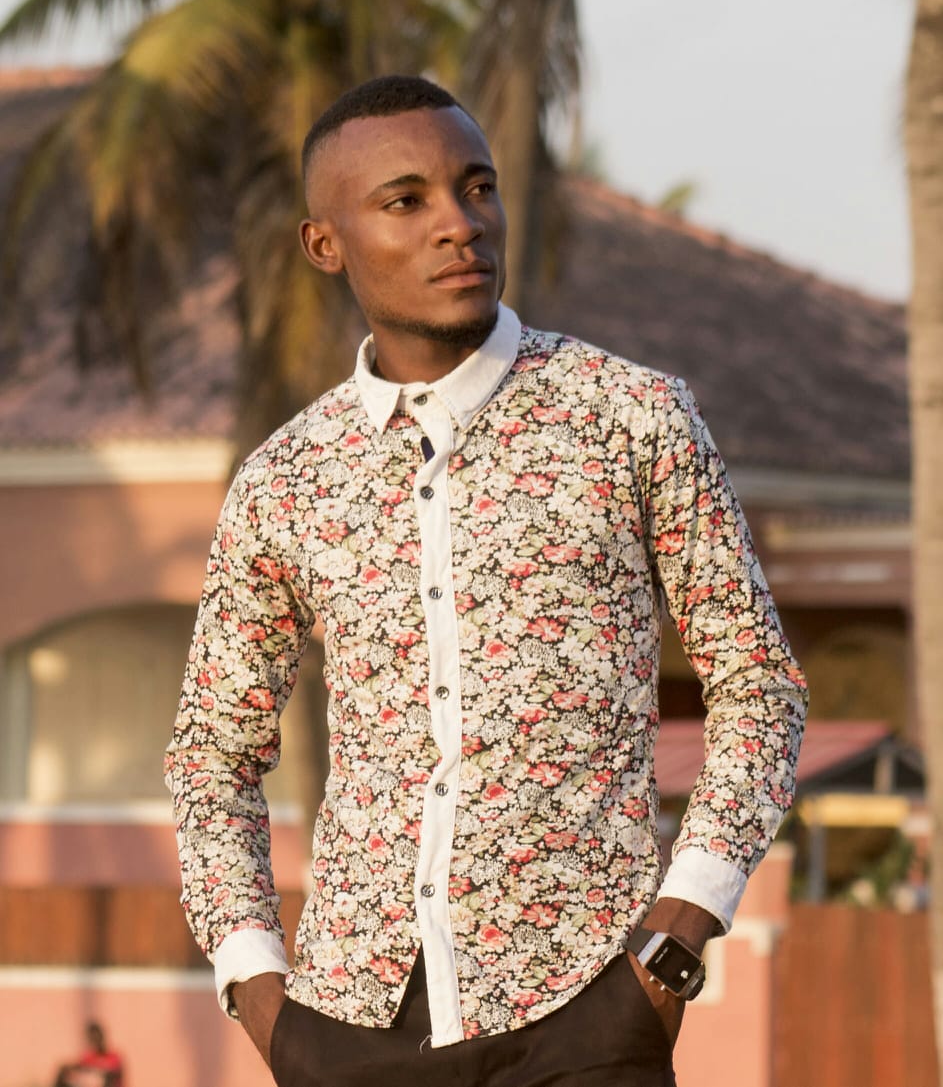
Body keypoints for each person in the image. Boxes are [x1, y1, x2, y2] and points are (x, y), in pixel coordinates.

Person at [165, 74, 807, 1086]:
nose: (458, 224)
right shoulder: (285, 480)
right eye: (405, 200)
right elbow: (212, 753)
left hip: (586, 1010)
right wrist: (259, 989)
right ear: (325, 244)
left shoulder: (630, 416)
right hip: (347, 1024)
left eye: (476, 187)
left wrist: (678, 931)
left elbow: (758, 685)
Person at [54, 1021, 124, 1087]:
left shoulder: (113, 1057)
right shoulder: (87, 1057)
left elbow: (116, 1078)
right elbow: (80, 1073)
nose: (96, 1040)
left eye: (97, 1036)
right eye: (93, 1038)